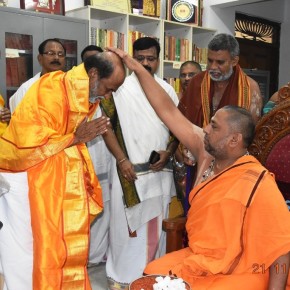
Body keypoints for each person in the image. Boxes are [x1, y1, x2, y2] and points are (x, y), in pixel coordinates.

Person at [108, 47, 290, 290]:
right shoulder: (205, 152)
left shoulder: (257, 181)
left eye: (214, 127)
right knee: (152, 272)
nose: (204, 129)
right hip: (202, 258)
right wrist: (137, 67)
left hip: (242, 268)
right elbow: (166, 109)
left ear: (234, 140)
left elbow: (281, 250)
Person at [0, 52, 126, 289]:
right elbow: (28, 144)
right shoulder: (50, 89)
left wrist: (75, 139)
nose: (107, 96)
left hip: (55, 184)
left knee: (57, 248)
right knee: (30, 255)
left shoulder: (82, 95)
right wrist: (75, 138)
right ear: (94, 74)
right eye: (109, 88)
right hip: (25, 186)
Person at [103, 37, 179, 289]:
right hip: (127, 172)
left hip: (158, 173)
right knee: (125, 230)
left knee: (155, 228)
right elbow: (106, 127)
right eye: (141, 58)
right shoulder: (120, 87)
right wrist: (122, 160)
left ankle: (150, 275)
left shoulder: (166, 90)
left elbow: (175, 131)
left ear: (159, 60)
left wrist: (168, 153)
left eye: (151, 58)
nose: (145, 63)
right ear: (132, 58)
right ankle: (122, 276)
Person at [80, 44, 111, 267]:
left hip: (104, 167)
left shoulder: (105, 95)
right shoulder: (72, 94)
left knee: (102, 214)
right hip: (76, 173)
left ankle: (95, 258)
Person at [9, 38, 66, 112]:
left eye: (60, 54)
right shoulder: (27, 89)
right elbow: (19, 121)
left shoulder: (71, 86)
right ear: (40, 58)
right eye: (51, 53)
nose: (56, 57)